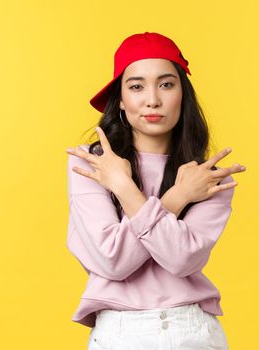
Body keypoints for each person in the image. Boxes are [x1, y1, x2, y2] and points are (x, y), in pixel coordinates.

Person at [65, 32, 246, 349]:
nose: (152, 99)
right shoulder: (91, 164)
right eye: (136, 86)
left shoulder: (205, 177)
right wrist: (177, 197)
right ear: (120, 98)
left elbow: (181, 260)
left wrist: (124, 190)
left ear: (182, 94)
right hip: (118, 334)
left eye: (166, 84)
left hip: (192, 331)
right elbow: (113, 262)